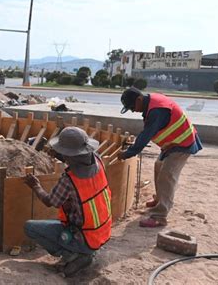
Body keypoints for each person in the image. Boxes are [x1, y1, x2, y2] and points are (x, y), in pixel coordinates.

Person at [24, 127, 112, 277]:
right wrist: (60, 155)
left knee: (30, 227)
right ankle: (82, 252)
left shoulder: (69, 180)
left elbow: (49, 201)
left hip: (82, 237)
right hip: (101, 233)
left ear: (70, 155)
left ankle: (72, 254)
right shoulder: (98, 160)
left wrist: (36, 186)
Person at [118, 87, 202, 227]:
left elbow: (146, 135)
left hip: (182, 143)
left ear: (139, 99)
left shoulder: (157, 110)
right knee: (158, 166)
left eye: (132, 107)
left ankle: (159, 216)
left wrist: (128, 153)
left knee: (167, 175)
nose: (133, 111)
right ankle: (159, 199)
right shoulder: (151, 103)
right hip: (172, 143)